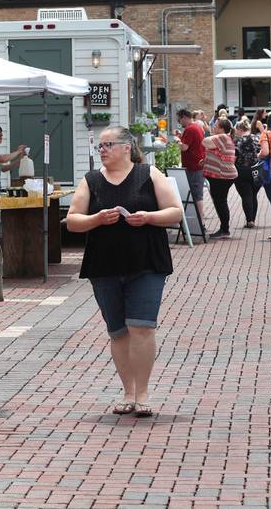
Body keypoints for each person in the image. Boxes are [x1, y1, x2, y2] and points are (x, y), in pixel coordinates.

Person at [66, 126, 182, 417]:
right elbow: (73, 220)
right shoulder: (92, 180)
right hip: (104, 265)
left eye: (108, 145)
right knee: (117, 331)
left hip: (146, 263)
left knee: (142, 327)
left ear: (127, 147)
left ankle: (142, 393)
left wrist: (148, 217)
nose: (102, 150)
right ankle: (127, 392)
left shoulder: (148, 174)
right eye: (100, 146)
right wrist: (96, 218)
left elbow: (175, 211)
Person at [202, 118, 237, 239]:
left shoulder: (222, 137)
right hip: (223, 175)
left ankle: (224, 229)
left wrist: (208, 133)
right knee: (221, 201)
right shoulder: (224, 138)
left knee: (220, 201)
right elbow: (216, 151)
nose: (213, 127)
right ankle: (224, 228)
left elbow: (205, 142)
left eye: (216, 125)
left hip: (222, 176)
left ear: (222, 129)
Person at [174, 108, 206, 220]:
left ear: (184, 117)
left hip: (194, 167)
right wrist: (180, 136)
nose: (179, 123)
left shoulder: (190, 129)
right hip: (197, 165)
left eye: (179, 120)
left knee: (197, 195)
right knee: (196, 193)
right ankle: (199, 219)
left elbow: (184, 147)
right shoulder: (197, 127)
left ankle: (200, 221)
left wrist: (177, 141)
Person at [233, 118, 260, 228]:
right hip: (256, 169)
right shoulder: (256, 138)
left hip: (242, 169)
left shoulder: (239, 141)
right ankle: (253, 218)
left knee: (246, 195)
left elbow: (235, 156)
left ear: (240, 129)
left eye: (236, 129)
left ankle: (249, 220)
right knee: (254, 194)